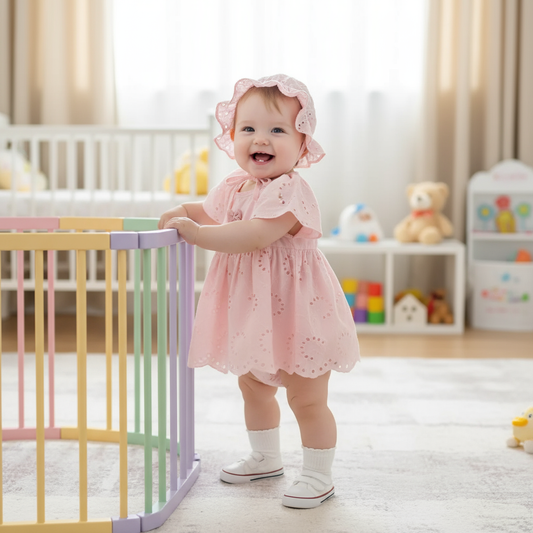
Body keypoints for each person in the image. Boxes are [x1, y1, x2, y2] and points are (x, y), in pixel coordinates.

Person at [159, 74, 360, 509]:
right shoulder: (236, 184)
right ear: (232, 137)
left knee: (306, 396)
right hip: (256, 312)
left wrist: (194, 234)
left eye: (276, 130)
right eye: (247, 129)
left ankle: (317, 474)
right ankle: (266, 457)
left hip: (298, 310)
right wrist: (185, 211)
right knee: (252, 385)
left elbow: (252, 235)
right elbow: (212, 212)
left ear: (302, 144)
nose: (259, 139)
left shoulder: (290, 190)